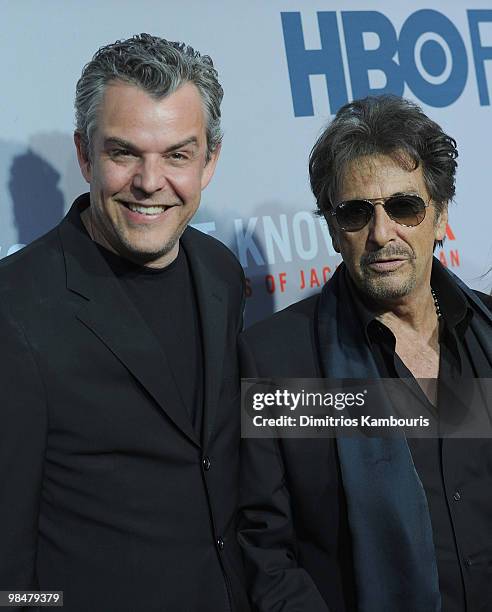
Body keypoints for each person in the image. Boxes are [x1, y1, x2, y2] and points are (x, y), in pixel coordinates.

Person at [0, 34, 250, 612]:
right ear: (85, 156)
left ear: (209, 161)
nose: (149, 181)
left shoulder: (221, 272)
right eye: (124, 153)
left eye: (177, 155)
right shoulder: (15, 309)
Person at [239, 96, 492, 612]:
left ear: (440, 216)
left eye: (404, 207)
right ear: (334, 230)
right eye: (356, 213)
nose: (382, 234)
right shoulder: (277, 365)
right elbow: (265, 555)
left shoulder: (486, 332)